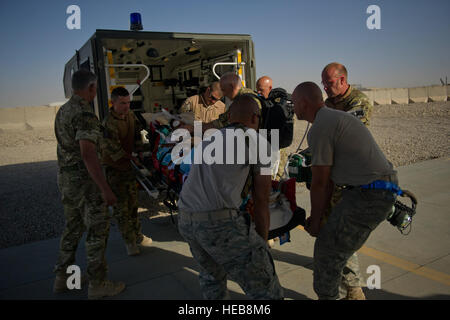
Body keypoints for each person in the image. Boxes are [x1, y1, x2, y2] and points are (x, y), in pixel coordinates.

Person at [291, 82, 398, 300]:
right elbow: (329, 181)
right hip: (370, 191)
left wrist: (317, 220)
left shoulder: (321, 126)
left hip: (370, 194)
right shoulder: (330, 118)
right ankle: (354, 293)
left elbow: (320, 182)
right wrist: (321, 218)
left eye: (294, 103)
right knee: (337, 242)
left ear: (303, 102)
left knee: (326, 252)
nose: (293, 109)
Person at [177, 95, 284, 300]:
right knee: (265, 288)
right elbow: (262, 200)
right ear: (255, 117)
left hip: (186, 220)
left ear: (229, 117)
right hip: (218, 224)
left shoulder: (210, 138)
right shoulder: (258, 142)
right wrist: (261, 244)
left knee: (212, 277)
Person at [53, 69, 125, 299]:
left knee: (73, 228)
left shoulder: (63, 111)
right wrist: (105, 188)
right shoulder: (85, 114)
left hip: (67, 181)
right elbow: (88, 154)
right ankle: (98, 284)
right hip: (85, 183)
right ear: (91, 88)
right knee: (97, 231)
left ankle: (62, 278)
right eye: (95, 89)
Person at [321, 62, 374, 299]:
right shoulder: (328, 104)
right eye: (323, 82)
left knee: (342, 233)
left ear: (343, 80)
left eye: (329, 82)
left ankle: (354, 288)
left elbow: (347, 135)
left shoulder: (359, 102)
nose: (325, 87)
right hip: (332, 177)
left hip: (352, 179)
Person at [101, 87, 153, 256]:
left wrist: (139, 152)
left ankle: (137, 235)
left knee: (133, 204)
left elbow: (137, 134)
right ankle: (129, 242)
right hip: (114, 169)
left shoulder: (130, 115)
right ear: (113, 102)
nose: (126, 106)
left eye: (128, 102)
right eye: (122, 103)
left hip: (129, 167)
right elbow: (114, 150)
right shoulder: (108, 123)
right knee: (121, 208)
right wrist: (133, 158)